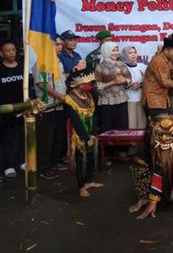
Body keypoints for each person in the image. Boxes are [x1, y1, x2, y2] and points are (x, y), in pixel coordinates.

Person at [64, 68, 103, 197]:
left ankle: (89, 181)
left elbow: (94, 115)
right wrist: (86, 137)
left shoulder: (89, 96)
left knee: (92, 157)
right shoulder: (70, 99)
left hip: (90, 131)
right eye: (89, 83)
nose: (91, 85)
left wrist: (93, 133)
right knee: (81, 159)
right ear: (80, 84)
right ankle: (81, 186)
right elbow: (75, 121)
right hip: (79, 134)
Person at [32, 35, 66, 180]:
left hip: (59, 106)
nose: (60, 47)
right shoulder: (41, 63)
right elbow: (42, 84)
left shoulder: (58, 61)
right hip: (48, 106)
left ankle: (55, 163)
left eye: (61, 45)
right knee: (46, 139)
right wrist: (60, 96)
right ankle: (44, 168)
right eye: (57, 44)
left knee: (57, 137)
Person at [142, 38, 173, 118]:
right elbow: (165, 82)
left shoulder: (169, 60)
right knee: (159, 127)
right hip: (154, 100)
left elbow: (172, 79)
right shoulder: (158, 61)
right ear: (166, 50)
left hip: (163, 100)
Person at [0, 39, 25, 178]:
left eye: (13, 50)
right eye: (7, 50)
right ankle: (8, 165)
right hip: (6, 111)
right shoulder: (1, 69)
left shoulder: (22, 67)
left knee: (22, 136)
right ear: (2, 53)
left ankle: (21, 161)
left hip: (22, 108)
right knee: (8, 139)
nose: (11, 53)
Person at [94, 42, 132, 133]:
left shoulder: (121, 64)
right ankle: (109, 147)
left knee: (122, 127)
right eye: (113, 51)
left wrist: (123, 80)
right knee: (108, 128)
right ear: (106, 51)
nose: (116, 53)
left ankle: (122, 147)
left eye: (117, 50)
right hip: (107, 101)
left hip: (121, 99)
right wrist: (112, 82)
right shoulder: (100, 66)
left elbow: (129, 80)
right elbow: (97, 86)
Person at [121, 46, 147, 129]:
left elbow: (148, 81)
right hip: (128, 99)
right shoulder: (122, 68)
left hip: (141, 99)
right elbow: (118, 83)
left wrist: (140, 85)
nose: (133, 55)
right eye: (130, 53)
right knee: (131, 124)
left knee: (142, 123)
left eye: (134, 52)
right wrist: (129, 85)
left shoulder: (142, 66)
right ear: (125, 55)